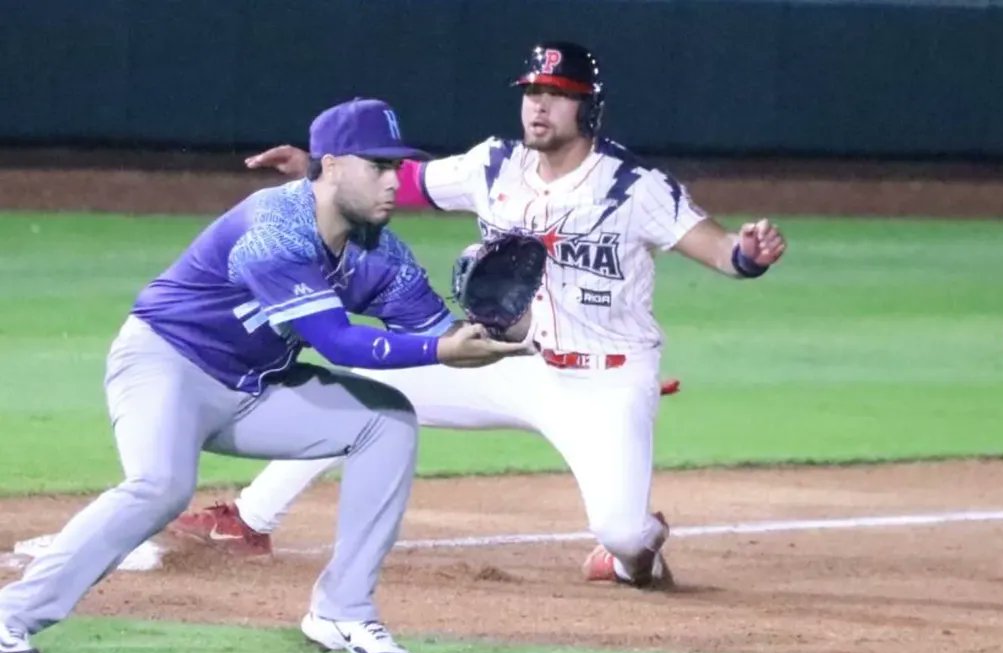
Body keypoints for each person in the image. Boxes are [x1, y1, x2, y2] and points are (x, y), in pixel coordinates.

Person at [174, 41, 787, 589]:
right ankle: (248, 521)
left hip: (607, 381)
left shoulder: (634, 185)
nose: (539, 106)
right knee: (363, 388)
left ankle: (635, 554)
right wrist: (321, 168)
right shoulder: (492, 165)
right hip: (509, 360)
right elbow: (402, 182)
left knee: (622, 532)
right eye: (533, 92)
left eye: (558, 94)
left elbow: (719, 250)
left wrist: (748, 255)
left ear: (588, 108)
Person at [0, 98, 528, 653]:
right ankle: (12, 615)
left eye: (396, 167)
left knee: (386, 421)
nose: (393, 181)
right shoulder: (273, 226)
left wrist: (501, 321)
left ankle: (343, 610)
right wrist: (443, 349)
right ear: (330, 166)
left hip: (255, 389)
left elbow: (446, 337)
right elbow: (339, 343)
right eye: (378, 165)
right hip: (167, 365)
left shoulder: (382, 255)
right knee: (161, 485)